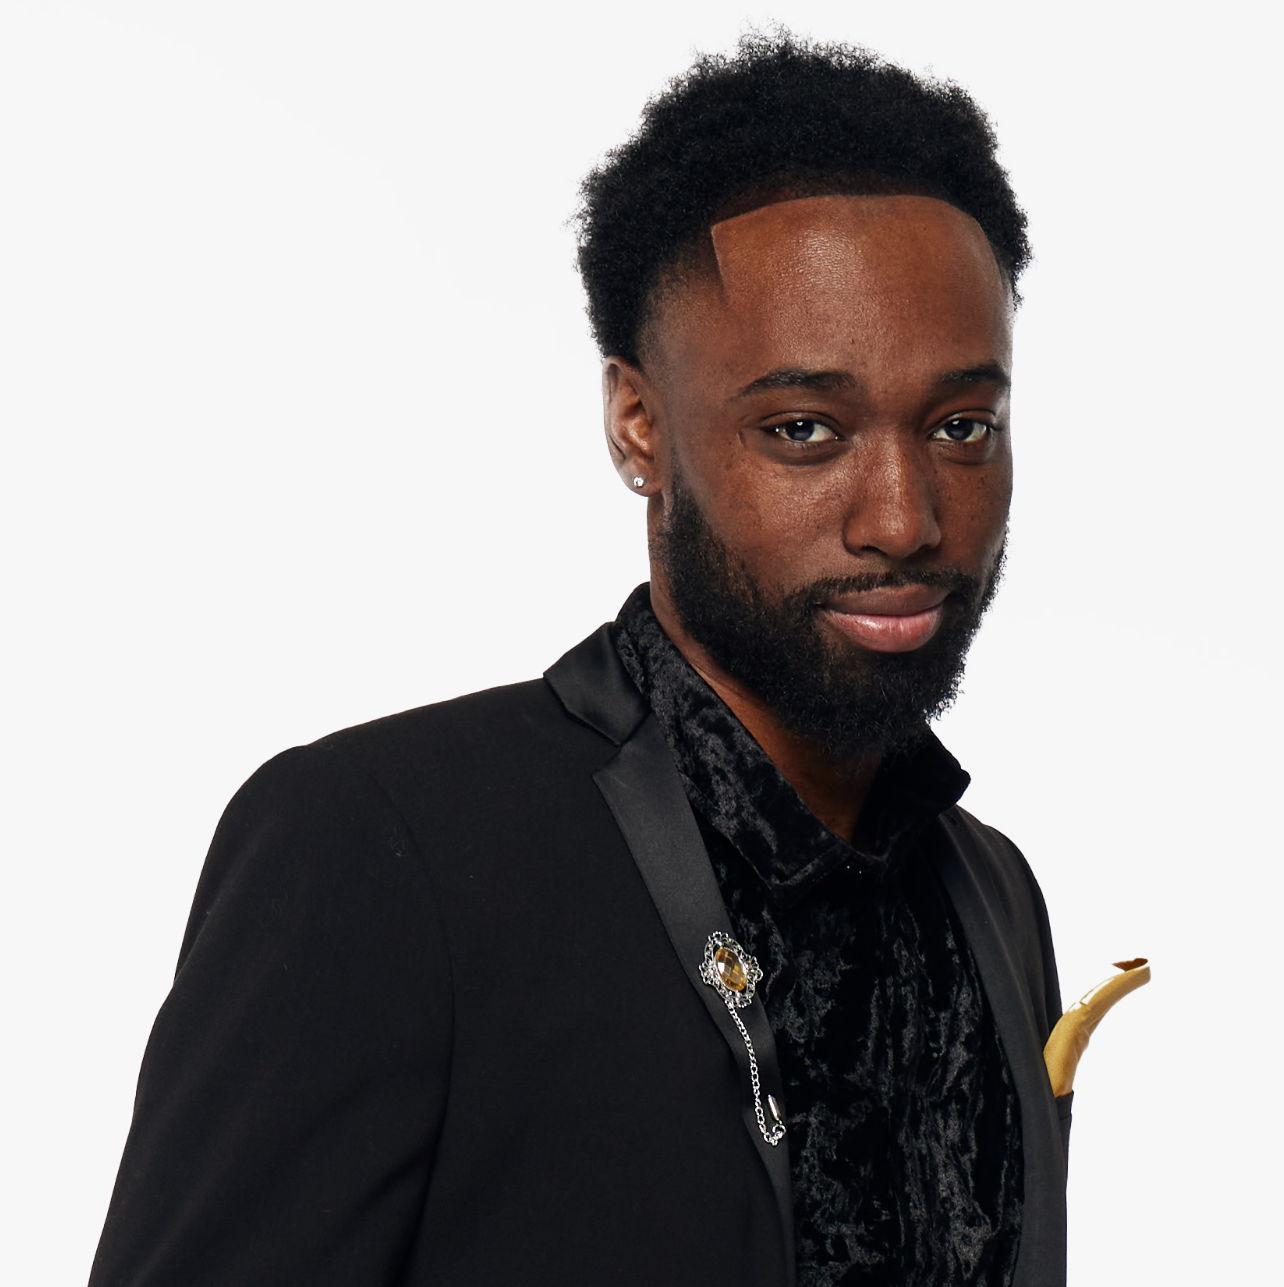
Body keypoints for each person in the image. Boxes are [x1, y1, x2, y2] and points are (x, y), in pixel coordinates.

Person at [89, 32, 1070, 1287]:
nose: (904, 518)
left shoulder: (992, 896)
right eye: (804, 430)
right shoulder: (387, 848)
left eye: (961, 426)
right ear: (639, 425)